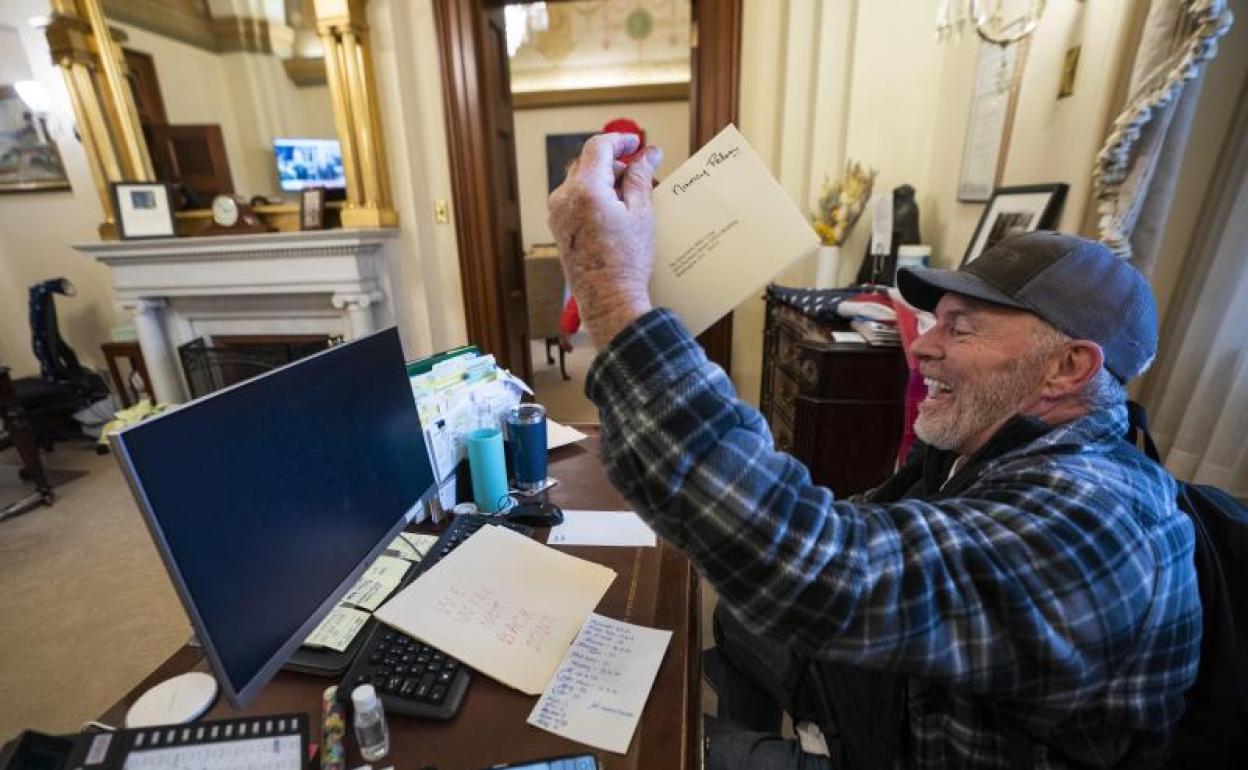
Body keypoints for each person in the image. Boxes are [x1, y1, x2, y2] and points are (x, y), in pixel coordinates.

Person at [547, 133, 1202, 769]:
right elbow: (839, 529)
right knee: (744, 619)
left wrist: (612, 286)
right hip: (910, 701)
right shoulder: (996, 443)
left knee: (646, 747)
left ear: (1067, 367)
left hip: (913, 745)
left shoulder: (1098, 521)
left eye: (961, 329)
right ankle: (782, 736)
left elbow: (819, 567)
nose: (921, 348)